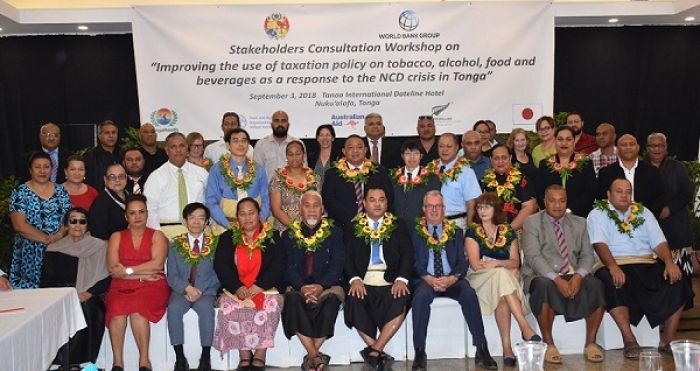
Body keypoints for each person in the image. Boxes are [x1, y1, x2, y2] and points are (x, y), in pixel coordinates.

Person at [587, 178, 692, 358]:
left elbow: (659, 242)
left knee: (678, 277)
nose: (624, 195)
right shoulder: (597, 214)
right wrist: (612, 266)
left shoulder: (643, 212)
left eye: (628, 191)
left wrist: (668, 262)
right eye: (619, 191)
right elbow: (599, 244)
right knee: (611, 281)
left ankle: (667, 338)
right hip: (615, 262)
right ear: (608, 194)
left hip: (646, 262)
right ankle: (629, 340)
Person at [410, 191, 496, 371]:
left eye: (438, 206)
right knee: (420, 297)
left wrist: (452, 278)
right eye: (430, 206)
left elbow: (462, 262)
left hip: (452, 279)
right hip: (426, 279)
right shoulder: (414, 231)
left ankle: (482, 348)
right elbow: (413, 261)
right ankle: (419, 352)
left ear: (444, 209)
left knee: (469, 293)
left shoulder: (456, 232)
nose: (434, 210)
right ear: (423, 209)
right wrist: (428, 278)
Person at [521, 185, 606, 364]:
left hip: (572, 273)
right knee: (544, 286)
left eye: (562, 201)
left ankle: (591, 343)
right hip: (542, 275)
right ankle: (549, 344)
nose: (557, 205)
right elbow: (533, 256)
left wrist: (578, 277)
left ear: (567, 202)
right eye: (552, 201)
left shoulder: (580, 222)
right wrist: (557, 279)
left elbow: (587, 255)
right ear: (544, 202)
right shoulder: (532, 222)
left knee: (596, 285)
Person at [465, 192, 540, 367]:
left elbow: (516, 262)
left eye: (487, 206)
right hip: (479, 278)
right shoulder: (472, 231)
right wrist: (505, 267)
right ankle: (524, 326)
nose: (482, 211)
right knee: (503, 276)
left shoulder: (508, 231)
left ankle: (507, 349)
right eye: (480, 207)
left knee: (502, 294)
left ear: (496, 209)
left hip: (500, 277)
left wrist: (497, 263)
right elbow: (476, 265)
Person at [343, 187, 412, 371]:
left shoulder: (398, 225)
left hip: (390, 279)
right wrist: (355, 279)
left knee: (402, 296)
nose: (377, 204)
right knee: (353, 298)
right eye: (372, 200)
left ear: (387, 203)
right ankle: (376, 348)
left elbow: (407, 255)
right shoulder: (352, 226)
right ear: (364, 203)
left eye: (382, 199)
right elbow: (346, 258)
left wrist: (401, 279)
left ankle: (374, 350)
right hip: (363, 280)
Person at [213, 197, 286, 370]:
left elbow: (279, 264)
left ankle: (261, 353)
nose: (247, 218)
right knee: (227, 305)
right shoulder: (228, 237)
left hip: (265, 288)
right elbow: (221, 265)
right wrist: (237, 287)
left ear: (259, 214)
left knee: (272, 305)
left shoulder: (272, 235)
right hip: (236, 289)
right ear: (237, 217)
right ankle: (244, 353)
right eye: (242, 214)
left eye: (251, 213)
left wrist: (259, 286)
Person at [105, 194, 171, 371]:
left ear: (147, 214)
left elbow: (157, 265)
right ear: (126, 216)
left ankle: (144, 362)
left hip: (153, 285)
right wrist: (140, 275)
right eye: (132, 213)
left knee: (137, 311)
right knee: (117, 310)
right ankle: (117, 363)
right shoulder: (116, 237)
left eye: (141, 212)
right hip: (123, 286)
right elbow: (113, 270)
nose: (138, 216)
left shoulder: (158, 235)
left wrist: (127, 271)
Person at [281, 191, 344, 371]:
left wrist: (320, 286)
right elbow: (288, 268)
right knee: (292, 299)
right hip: (298, 287)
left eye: (316, 205)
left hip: (327, 285)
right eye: (307, 205)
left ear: (322, 209)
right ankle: (315, 356)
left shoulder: (334, 232)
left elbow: (337, 264)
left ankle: (311, 356)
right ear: (299, 210)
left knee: (332, 300)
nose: (311, 210)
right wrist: (302, 288)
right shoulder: (288, 235)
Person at [43, 207, 110, 367]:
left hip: (90, 295)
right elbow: (46, 282)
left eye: (82, 221)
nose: (77, 225)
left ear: (87, 225)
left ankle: (77, 363)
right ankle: (60, 362)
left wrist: (87, 293)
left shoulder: (99, 246)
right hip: (59, 295)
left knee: (86, 309)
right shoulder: (54, 249)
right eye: (73, 221)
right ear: (66, 225)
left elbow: (106, 278)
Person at [167, 203, 220, 371]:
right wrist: (187, 288)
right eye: (192, 218)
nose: (196, 222)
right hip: (181, 290)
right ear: (185, 221)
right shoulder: (175, 244)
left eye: (201, 218)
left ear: (207, 222)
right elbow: (171, 274)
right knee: (173, 309)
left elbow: (219, 273)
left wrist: (200, 290)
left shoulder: (215, 244)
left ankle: (205, 356)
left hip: (206, 290)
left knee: (206, 309)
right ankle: (180, 357)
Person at [646, 133, 695, 309]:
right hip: (652, 226)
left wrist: (670, 208)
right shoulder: (643, 169)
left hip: (677, 227)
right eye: (652, 146)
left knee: (682, 271)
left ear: (666, 148)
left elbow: (687, 192)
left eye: (660, 146)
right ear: (647, 149)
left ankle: (683, 305)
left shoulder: (677, 167)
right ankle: (661, 308)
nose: (656, 149)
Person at [8, 152, 71, 288]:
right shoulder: (20, 192)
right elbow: (19, 225)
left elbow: (69, 218)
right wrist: (47, 240)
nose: (42, 171)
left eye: (46, 167)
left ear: (51, 169)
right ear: (30, 170)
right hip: (28, 255)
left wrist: (58, 236)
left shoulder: (61, 191)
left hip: (58, 250)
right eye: (37, 167)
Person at [322, 134, 393, 230]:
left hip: (374, 225)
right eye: (350, 147)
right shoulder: (332, 173)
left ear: (365, 150)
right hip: (342, 226)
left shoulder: (378, 171)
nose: (355, 150)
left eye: (359, 147)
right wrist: (351, 218)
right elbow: (328, 200)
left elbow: (389, 196)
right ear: (344, 151)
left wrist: (369, 217)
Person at [144, 132, 209, 238]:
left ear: (187, 148)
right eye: (173, 147)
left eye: (181, 146)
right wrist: (157, 235)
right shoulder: (156, 177)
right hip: (166, 233)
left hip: (199, 232)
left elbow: (210, 201)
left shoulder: (202, 173)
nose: (178, 150)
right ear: (166, 150)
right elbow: (149, 208)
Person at [207, 128, 270, 229]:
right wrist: (228, 225)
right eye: (235, 141)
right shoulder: (216, 170)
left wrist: (259, 222)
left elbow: (266, 199)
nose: (240, 144)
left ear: (248, 145)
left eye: (244, 141)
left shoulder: (259, 170)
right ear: (228, 145)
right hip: (225, 227)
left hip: (256, 227)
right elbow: (211, 202)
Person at [597, 134, 664, 216]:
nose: (628, 147)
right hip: (613, 222)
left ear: (638, 148)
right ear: (617, 149)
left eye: (632, 144)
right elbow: (603, 199)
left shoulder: (652, 171)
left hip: (646, 221)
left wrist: (647, 217)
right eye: (624, 145)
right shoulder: (606, 173)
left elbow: (659, 198)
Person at [536, 126, 597, 217]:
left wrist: (569, 210)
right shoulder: (544, 164)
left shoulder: (586, 163)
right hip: (550, 217)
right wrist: (552, 211)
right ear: (555, 141)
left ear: (574, 141)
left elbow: (590, 192)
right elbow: (540, 192)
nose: (564, 143)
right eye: (560, 139)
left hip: (579, 216)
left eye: (568, 139)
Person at [426, 133, 481, 229]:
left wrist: (470, 230)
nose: (444, 150)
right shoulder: (429, 169)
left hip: (456, 223)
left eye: (449, 146)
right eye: (441, 146)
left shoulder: (466, 171)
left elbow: (471, 203)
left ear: (456, 148)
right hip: (431, 222)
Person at [482, 145, 537, 231]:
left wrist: (509, 230)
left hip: (517, 230)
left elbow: (529, 207)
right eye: (496, 158)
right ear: (491, 160)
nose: (500, 161)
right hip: (489, 231)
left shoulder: (522, 179)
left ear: (510, 158)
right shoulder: (484, 181)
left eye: (504, 157)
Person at [270, 141, 318, 232]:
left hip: (310, 228)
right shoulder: (278, 178)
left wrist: (308, 229)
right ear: (286, 156)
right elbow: (276, 210)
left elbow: (317, 206)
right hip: (284, 230)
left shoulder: (314, 177)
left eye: (298, 154)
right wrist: (297, 228)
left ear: (303, 155)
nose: (294, 158)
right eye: (290, 154)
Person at [390, 140, 440, 224]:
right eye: (408, 154)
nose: (412, 157)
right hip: (398, 226)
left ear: (421, 156)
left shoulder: (432, 178)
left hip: (421, 227)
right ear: (402, 156)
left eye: (416, 154)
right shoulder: (393, 177)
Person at [254, 110, 305, 179]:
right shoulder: (261, 145)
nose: (280, 124)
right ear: (271, 124)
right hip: (267, 189)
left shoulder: (298, 144)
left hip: (294, 188)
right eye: (276, 121)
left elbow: (304, 169)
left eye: (283, 121)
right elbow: (256, 173)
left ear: (288, 124)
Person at [89, 164, 129, 240]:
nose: (117, 180)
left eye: (121, 176)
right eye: (112, 177)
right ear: (105, 179)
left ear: (126, 178)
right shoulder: (100, 204)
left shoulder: (131, 197)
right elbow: (98, 235)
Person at [84, 120, 121, 191]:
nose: (111, 136)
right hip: (98, 197)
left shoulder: (123, 154)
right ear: (99, 136)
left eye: (114, 132)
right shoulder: (90, 157)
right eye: (107, 133)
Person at [306, 124, 341, 190]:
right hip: (315, 195)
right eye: (321, 135)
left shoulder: (339, 157)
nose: (324, 138)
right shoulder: (311, 157)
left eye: (327, 135)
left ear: (333, 138)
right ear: (317, 138)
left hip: (334, 195)